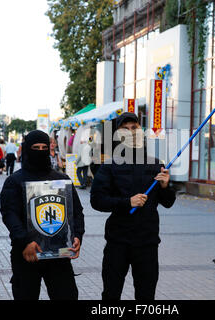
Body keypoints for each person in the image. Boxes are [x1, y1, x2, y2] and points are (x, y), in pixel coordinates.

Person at [90, 112, 176, 300]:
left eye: (134, 128)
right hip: (117, 241)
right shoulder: (109, 166)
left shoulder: (155, 165)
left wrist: (165, 186)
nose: (131, 132)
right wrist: (126, 202)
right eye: (125, 129)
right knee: (111, 294)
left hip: (147, 242)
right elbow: (97, 200)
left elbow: (168, 202)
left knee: (146, 295)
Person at [0, 130, 85, 300]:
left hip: (59, 254)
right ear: (27, 149)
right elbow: (9, 214)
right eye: (35, 147)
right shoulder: (15, 181)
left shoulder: (61, 179)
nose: (40, 151)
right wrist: (25, 241)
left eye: (44, 147)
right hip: (27, 253)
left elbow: (76, 211)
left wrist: (77, 235)